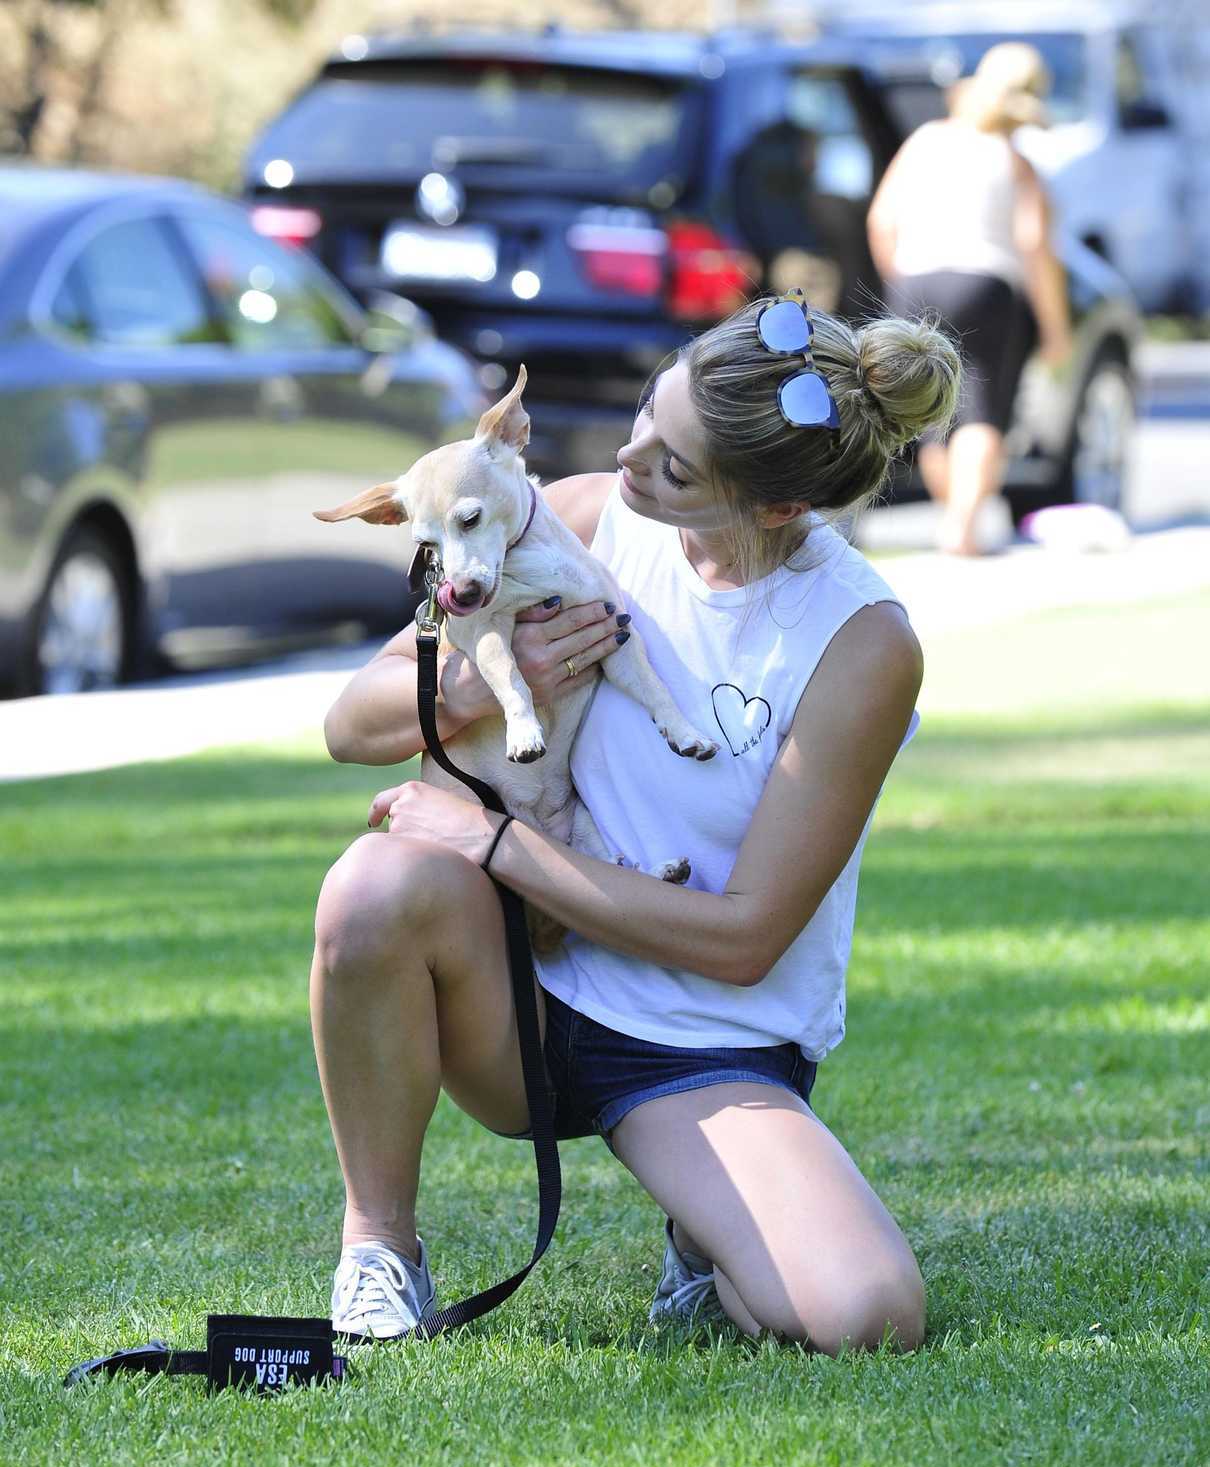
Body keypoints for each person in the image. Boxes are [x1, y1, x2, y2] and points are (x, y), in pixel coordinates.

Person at [313, 291, 959, 1353]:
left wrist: (498, 845)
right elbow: (351, 724)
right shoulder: (564, 516)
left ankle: (705, 1240)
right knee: (372, 884)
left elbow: (747, 939)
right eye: (645, 419)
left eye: (673, 466)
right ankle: (379, 1249)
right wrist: (483, 685)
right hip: (525, 999)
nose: (630, 459)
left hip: (703, 1044)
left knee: (866, 1315)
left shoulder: (861, 641)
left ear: (777, 509)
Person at [866, 41, 1074, 556]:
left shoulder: (925, 140)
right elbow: (1034, 247)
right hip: (984, 285)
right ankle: (963, 525)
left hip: (913, 281)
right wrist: (1055, 329)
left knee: (931, 409)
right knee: (981, 410)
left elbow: (881, 219)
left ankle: (952, 515)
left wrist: (900, 280)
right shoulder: (1015, 162)